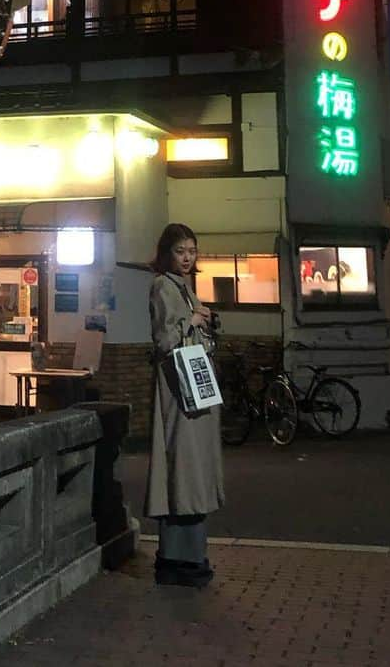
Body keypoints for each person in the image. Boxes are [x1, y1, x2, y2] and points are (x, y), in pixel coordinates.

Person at [145, 223, 224, 588]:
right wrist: (191, 320)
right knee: (184, 462)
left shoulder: (182, 286)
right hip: (180, 389)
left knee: (192, 463)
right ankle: (180, 556)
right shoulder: (164, 285)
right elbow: (163, 340)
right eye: (180, 251)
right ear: (167, 253)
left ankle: (187, 554)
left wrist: (202, 318)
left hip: (191, 386)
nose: (188, 257)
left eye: (192, 250)